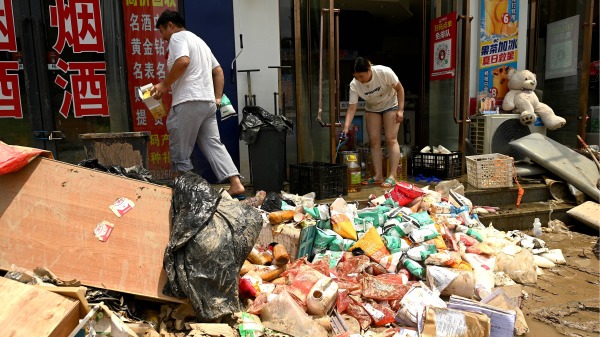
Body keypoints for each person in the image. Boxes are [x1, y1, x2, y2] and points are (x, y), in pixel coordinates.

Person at [151, 10, 245, 196]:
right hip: (207, 102)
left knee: (180, 148)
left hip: (188, 101)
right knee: (213, 144)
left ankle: (184, 193)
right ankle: (236, 184)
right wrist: (217, 98)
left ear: (170, 25)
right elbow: (218, 71)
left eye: (162, 31)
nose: (163, 38)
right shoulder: (200, 42)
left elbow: (183, 61)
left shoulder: (177, 38)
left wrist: (163, 85)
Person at [342, 57, 405, 188]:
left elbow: (400, 89)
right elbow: (352, 107)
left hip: (390, 105)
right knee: (374, 141)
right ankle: (378, 176)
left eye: (361, 76)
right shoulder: (354, 84)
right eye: (356, 76)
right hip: (372, 108)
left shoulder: (384, 72)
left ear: (369, 69)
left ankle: (392, 176)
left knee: (390, 139)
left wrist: (400, 110)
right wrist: (346, 127)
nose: (359, 79)